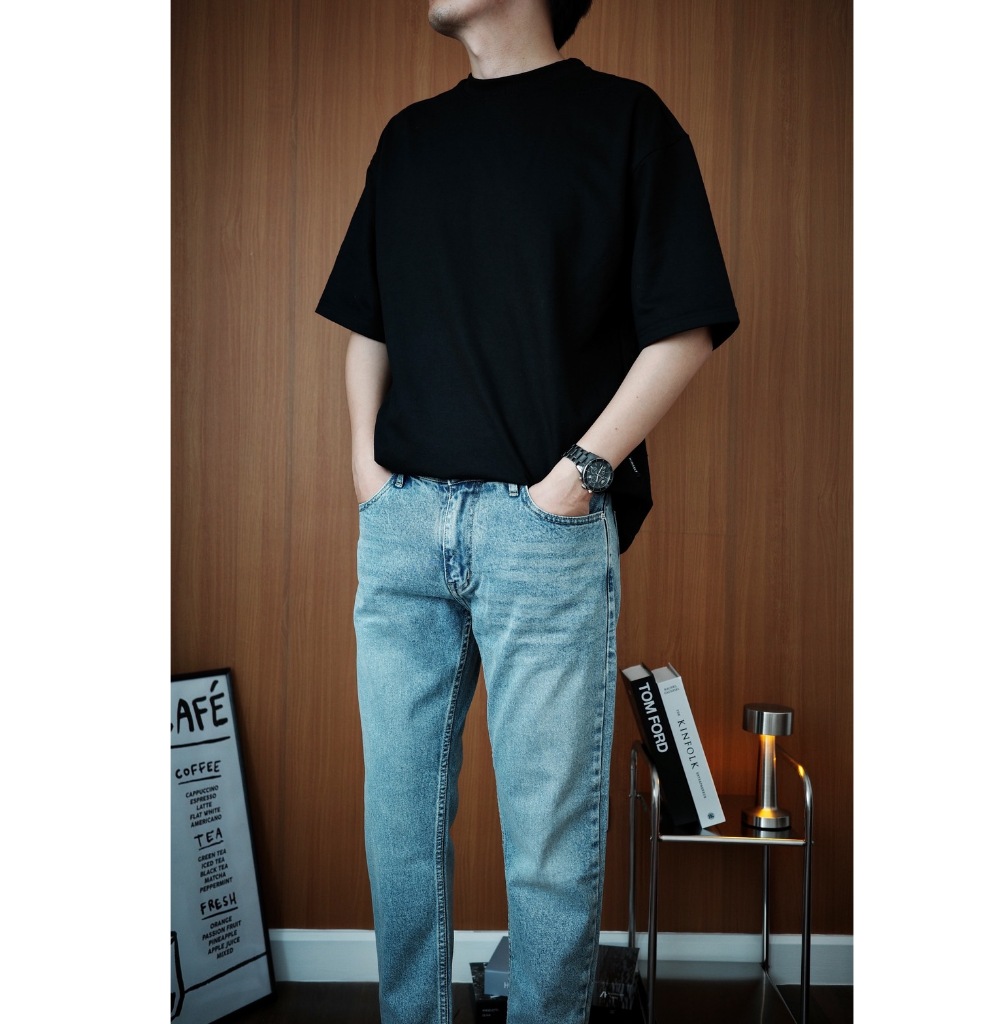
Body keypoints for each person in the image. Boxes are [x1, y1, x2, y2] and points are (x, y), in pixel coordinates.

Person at [315, 2, 738, 1022]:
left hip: (541, 530)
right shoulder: (410, 140)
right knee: (398, 828)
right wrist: (367, 470)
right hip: (404, 525)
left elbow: (685, 326)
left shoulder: (629, 124)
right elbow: (367, 325)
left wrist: (579, 474)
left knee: (550, 837)